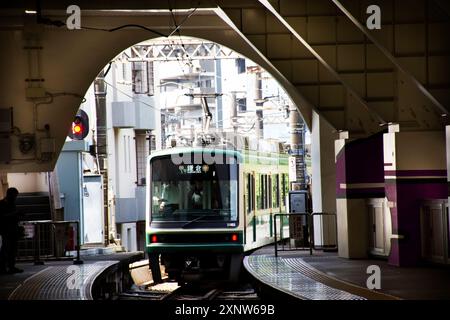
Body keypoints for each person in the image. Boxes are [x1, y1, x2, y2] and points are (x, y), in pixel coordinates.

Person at [0, 187, 23, 274]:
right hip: (6, 230)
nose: (15, 198)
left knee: (12, 250)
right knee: (6, 250)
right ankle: (3, 268)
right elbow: (2, 216)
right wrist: (15, 214)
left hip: (12, 230)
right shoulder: (2, 204)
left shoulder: (11, 203)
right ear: (10, 195)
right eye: (15, 196)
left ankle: (11, 266)